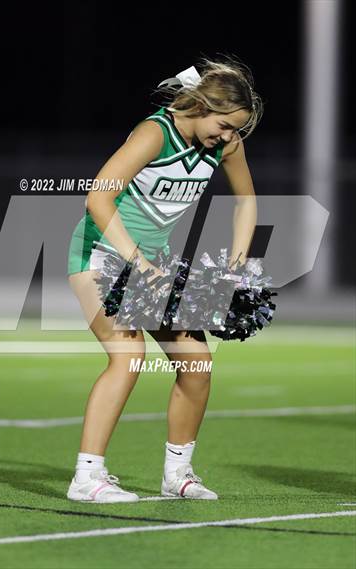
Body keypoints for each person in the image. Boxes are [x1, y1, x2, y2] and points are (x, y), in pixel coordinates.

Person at [66, 56, 263, 502]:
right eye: (224, 125)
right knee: (128, 355)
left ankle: (178, 475)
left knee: (196, 364)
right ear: (203, 106)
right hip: (100, 253)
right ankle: (86, 477)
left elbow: (247, 201)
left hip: (153, 262)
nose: (228, 136)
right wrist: (138, 262)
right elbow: (98, 197)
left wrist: (235, 268)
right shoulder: (155, 133)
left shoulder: (226, 146)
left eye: (235, 129)